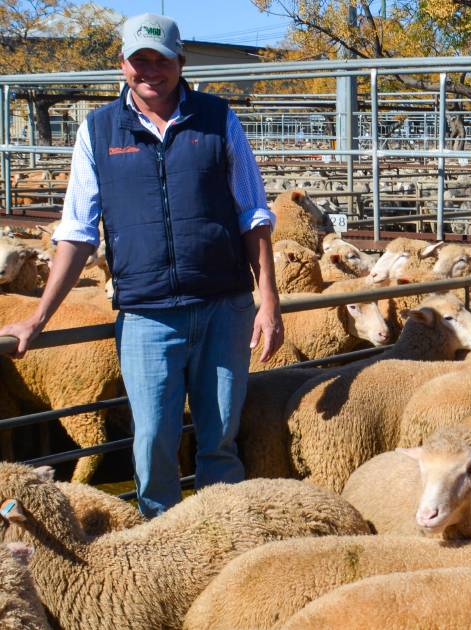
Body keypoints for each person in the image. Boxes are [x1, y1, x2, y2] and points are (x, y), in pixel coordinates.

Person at [0, 14, 283, 517]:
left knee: (220, 438)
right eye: (139, 60)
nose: (150, 70)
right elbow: (77, 231)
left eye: (161, 59)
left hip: (223, 305)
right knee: (153, 439)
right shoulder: (99, 130)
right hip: (147, 314)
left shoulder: (219, 120)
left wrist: (269, 304)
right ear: (122, 64)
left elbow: (252, 214)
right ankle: (160, 543)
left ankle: (227, 536)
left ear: (180, 62)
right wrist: (39, 317)